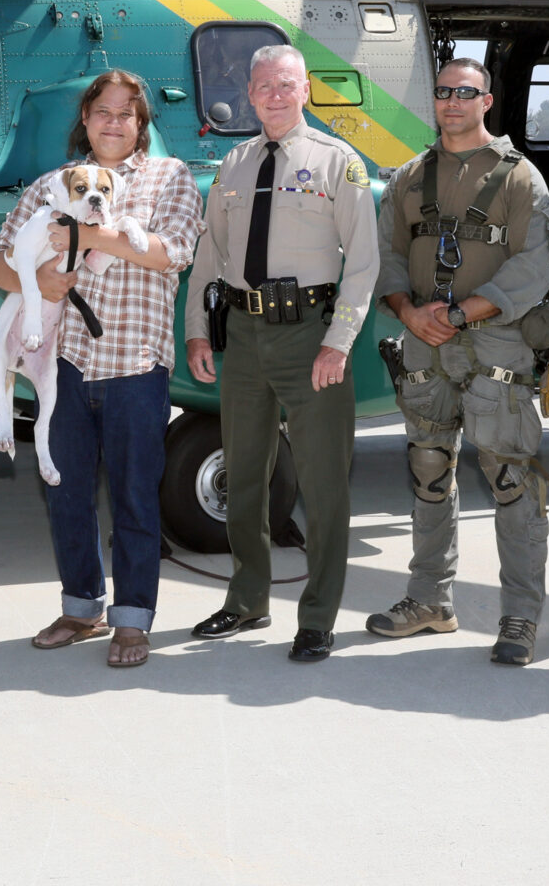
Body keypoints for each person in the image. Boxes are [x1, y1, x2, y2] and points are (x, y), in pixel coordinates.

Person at [0, 71, 204, 669]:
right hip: (63, 364)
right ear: (85, 119)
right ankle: (82, 608)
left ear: (141, 125)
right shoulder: (50, 185)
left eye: (126, 114)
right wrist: (40, 279)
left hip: (136, 363)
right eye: (102, 112)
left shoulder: (171, 177)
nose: (113, 122)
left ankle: (132, 622)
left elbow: (170, 251)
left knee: (136, 497)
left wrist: (86, 233)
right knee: (65, 493)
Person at [183, 44, 379, 663]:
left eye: (286, 83)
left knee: (323, 485)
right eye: (263, 83)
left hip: (310, 335)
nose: (274, 93)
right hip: (243, 335)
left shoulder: (335, 162)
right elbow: (209, 255)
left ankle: (318, 616)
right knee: (243, 476)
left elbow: (365, 264)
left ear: (305, 92)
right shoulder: (235, 164)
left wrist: (338, 342)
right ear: (248, 92)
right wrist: (196, 330)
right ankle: (246, 599)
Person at [368, 59, 549, 666]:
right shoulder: (409, 177)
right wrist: (407, 310)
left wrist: (461, 313)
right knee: (429, 471)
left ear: (487, 101)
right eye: (444, 91)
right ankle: (429, 601)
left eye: (465, 93)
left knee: (510, 479)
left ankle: (521, 616)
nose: (452, 102)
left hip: (495, 341)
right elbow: (388, 254)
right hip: (424, 340)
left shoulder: (519, 178)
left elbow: (532, 267)